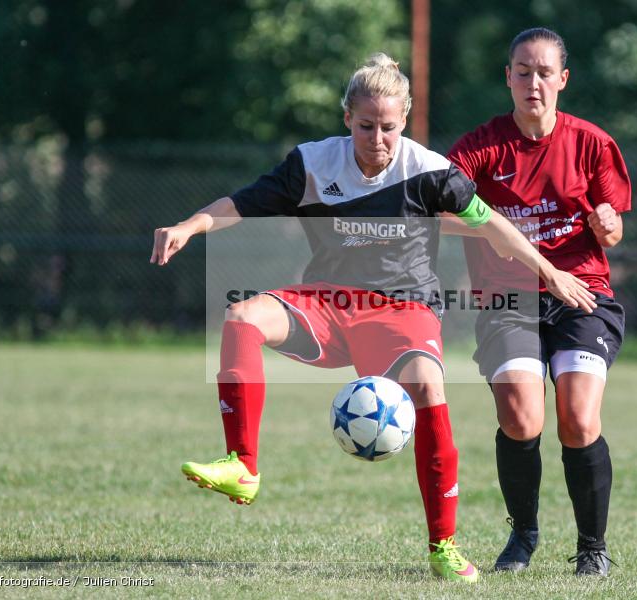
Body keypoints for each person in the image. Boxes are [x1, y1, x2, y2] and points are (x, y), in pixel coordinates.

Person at [150, 53, 592, 584]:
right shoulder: (313, 164)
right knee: (242, 316)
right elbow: (242, 204)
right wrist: (189, 226)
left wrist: (549, 272)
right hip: (327, 304)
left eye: (388, 127)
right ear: (346, 119)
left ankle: (443, 546)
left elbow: (493, 225)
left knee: (428, 385)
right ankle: (242, 464)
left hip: (402, 311)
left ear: (404, 120)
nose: (377, 138)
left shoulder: (428, 171)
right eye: (365, 126)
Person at [446, 28, 632, 576]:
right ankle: (523, 535)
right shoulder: (479, 148)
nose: (533, 83)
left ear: (563, 80)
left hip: (582, 294)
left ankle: (592, 547)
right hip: (509, 299)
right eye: (522, 72)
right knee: (522, 417)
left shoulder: (592, 143)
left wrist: (609, 224)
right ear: (507, 78)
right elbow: (441, 207)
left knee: (577, 419)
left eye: (544, 72)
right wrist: (491, 227)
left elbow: (612, 231)